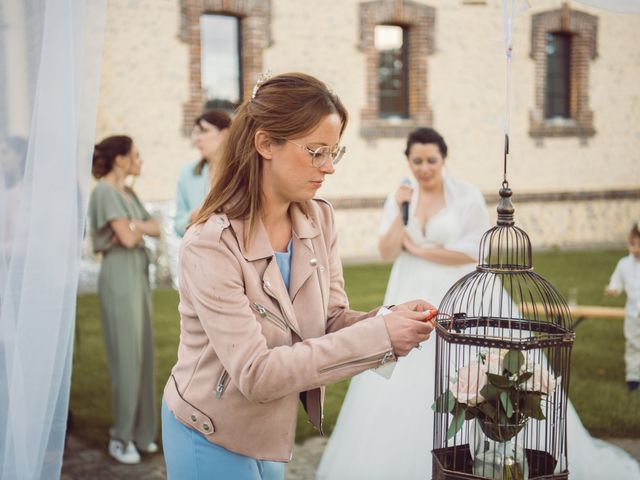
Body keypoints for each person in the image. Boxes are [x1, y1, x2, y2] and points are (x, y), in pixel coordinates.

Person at [317, 129, 640, 479]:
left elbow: (475, 251)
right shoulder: (401, 196)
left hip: (459, 292)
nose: (424, 168)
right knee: (404, 368)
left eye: (431, 161)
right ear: (408, 161)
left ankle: (489, 451)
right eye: (416, 161)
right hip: (409, 287)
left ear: (443, 159)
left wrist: (423, 251)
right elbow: (386, 251)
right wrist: (400, 207)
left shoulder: (465, 195)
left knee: (467, 359)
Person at [160, 72, 437, 480]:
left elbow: (329, 319)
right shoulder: (209, 244)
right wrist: (380, 337)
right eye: (316, 152)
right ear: (265, 143)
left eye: (334, 153)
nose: (329, 168)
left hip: (270, 430)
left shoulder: (318, 218)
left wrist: (390, 321)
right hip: (207, 431)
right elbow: (256, 374)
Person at [88, 135, 161, 464]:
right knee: (126, 358)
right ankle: (121, 437)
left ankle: (143, 433)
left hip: (137, 276)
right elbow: (130, 239)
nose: (140, 160)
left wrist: (135, 225)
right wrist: (137, 226)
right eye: (135, 154)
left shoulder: (127, 192)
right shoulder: (104, 191)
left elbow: (156, 227)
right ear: (120, 159)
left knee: (144, 354)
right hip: (118, 276)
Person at [174, 109, 232, 237]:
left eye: (204, 131)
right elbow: (178, 225)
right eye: (195, 133)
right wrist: (192, 216)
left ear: (225, 134)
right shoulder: (187, 174)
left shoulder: (241, 171)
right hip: (198, 251)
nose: (197, 139)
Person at [605, 223, 640, 392]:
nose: (635, 249)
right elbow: (617, 281)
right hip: (633, 313)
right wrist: (613, 289)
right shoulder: (624, 264)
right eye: (632, 244)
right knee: (633, 343)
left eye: (639, 245)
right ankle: (633, 377)